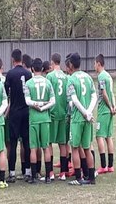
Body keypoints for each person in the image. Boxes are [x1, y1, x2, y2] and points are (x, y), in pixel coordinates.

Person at [65, 53, 97, 185]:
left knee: (75, 148)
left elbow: (74, 99)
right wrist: (89, 112)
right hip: (87, 119)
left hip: (78, 118)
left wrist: (84, 112)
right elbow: (94, 96)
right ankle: (91, 177)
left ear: (71, 64)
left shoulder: (71, 79)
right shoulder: (88, 77)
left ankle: (78, 177)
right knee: (87, 148)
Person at [24, 58, 55, 184]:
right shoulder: (47, 83)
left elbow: (27, 101)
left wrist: (37, 105)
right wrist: (44, 106)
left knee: (33, 148)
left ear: (32, 69)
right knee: (46, 147)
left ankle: (33, 177)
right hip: (45, 118)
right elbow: (53, 101)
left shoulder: (28, 83)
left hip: (34, 118)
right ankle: (48, 176)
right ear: (42, 69)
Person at [5, 49, 32, 183]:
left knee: (13, 143)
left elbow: (6, 93)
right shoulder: (28, 74)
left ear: (12, 59)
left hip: (14, 112)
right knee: (26, 142)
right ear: (21, 59)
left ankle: (12, 173)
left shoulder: (10, 74)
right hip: (26, 111)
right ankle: (28, 172)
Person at [46, 53, 68, 181]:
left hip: (52, 112)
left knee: (49, 142)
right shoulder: (66, 77)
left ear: (52, 62)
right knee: (63, 143)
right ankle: (63, 173)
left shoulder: (49, 76)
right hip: (63, 113)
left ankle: (50, 173)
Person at [94, 54, 116, 174]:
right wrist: (114, 106)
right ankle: (111, 165)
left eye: (94, 63)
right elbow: (112, 92)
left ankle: (103, 165)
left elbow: (104, 93)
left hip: (104, 110)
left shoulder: (101, 76)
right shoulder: (109, 76)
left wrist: (108, 106)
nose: (94, 66)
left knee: (99, 136)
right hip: (110, 110)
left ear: (98, 63)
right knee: (109, 136)